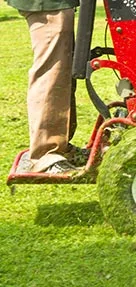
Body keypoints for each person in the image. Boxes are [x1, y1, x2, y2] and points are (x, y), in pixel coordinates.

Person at [6, 0, 87, 173]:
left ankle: (59, 146)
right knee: (52, 68)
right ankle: (44, 154)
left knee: (63, 67)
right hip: (47, 3)